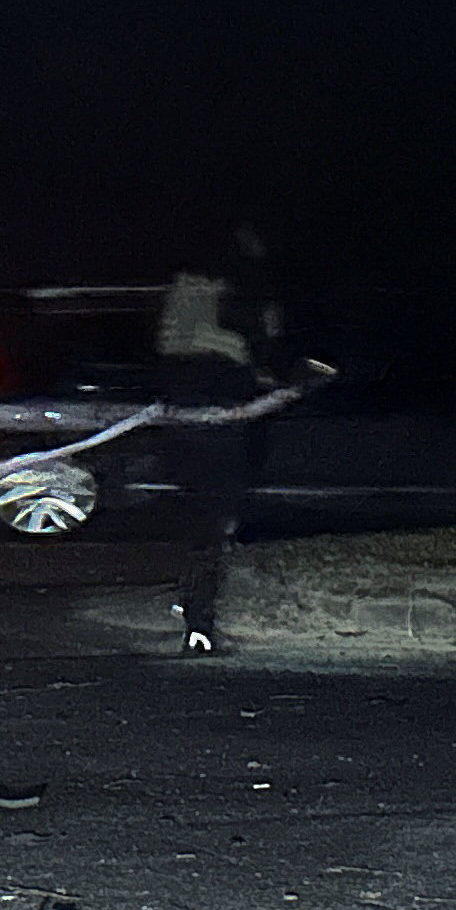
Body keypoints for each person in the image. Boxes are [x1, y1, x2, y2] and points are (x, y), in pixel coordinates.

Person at [155, 225, 281, 652]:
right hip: (216, 403)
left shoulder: (194, 286)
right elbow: (251, 341)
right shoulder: (232, 288)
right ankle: (199, 621)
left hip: (197, 403)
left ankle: (193, 606)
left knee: (204, 516)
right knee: (214, 516)